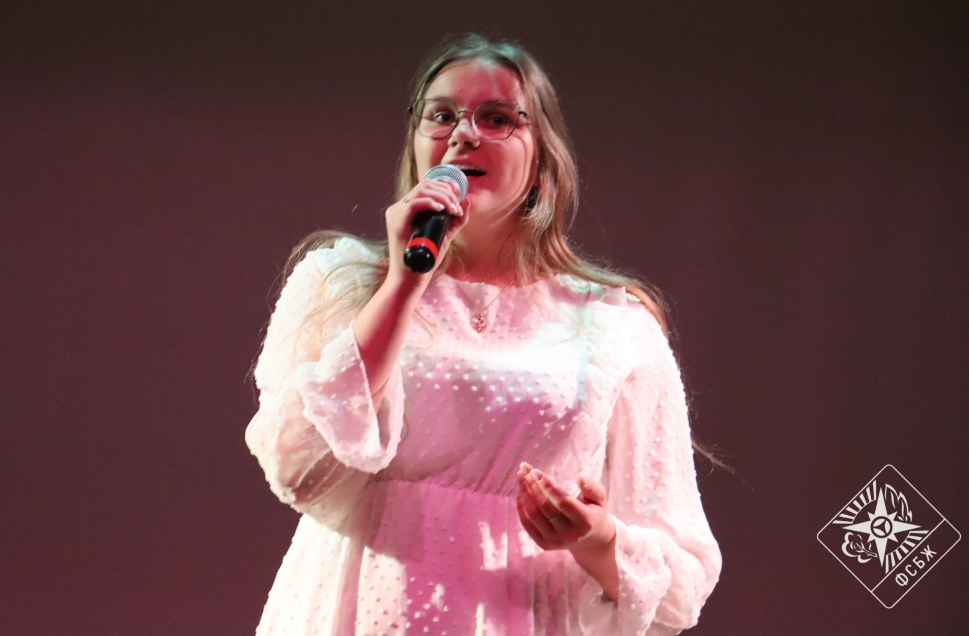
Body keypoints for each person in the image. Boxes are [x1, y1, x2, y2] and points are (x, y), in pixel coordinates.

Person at [245, 34, 721, 636]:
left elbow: (682, 581)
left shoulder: (614, 323)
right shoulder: (338, 282)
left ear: (543, 152)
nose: (463, 135)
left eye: (496, 118)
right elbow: (299, 468)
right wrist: (402, 285)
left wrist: (598, 540)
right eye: (441, 115)